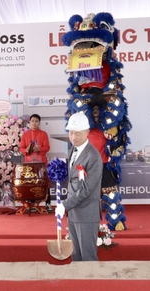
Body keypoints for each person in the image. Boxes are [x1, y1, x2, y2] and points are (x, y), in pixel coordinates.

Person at [55, 112, 102, 261]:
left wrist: (65, 205)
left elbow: (86, 189)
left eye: (78, 134)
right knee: (76, 256)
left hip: (87, 214)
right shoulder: (74, 150)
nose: (73, 137)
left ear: (87, 132)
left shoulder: (93, 157)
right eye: (71, 133)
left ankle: (92, 284)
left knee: (88, 257)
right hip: (74, 214)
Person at [19, 114, 52, 210]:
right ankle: (31, 204)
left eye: (36, 121)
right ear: (29, 122)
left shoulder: (43, 134)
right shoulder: (25, 135)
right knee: (31, 182)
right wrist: (26, 150)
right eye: (32, 121)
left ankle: (48, 203)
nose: (34, 123)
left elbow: (47, 147)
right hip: (29, 163)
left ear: (39, 123)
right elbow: (21, 148)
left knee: (45, 182)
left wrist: (39, 149)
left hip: (41, 163)